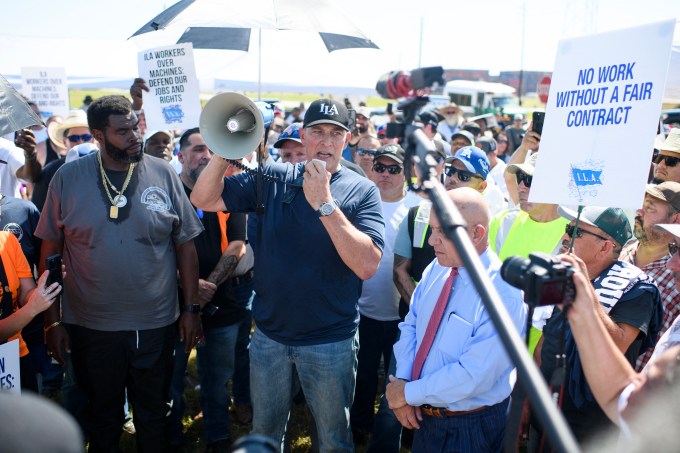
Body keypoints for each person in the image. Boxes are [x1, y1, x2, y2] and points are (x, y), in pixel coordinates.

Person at [191, 98, 384, 451]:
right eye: (317, 132)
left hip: (330, 340)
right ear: (303, 136)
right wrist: (224, 148)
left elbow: (367, 265)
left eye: (335, 133)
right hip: (269, 337)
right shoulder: (273, 178)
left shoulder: (362, 190)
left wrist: (325, 203)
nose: (326, 141)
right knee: (265, 434)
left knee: (332, 439)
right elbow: (204, 199)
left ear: (346, 140)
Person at [36, 95, 203, 452]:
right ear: (98, 135)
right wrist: (53, 322)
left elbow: (185, 245)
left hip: (155, 323)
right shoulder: (68, 178)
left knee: (153, 416)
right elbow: (50, 251)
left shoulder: (163, 173)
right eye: (123, 131)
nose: (135, 137)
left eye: (136, 127)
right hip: (91, 326)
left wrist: (191, 311)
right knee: (103, 418)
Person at [386, 188, 526, 453]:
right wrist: (404, 384)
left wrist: (407, 393)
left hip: (471, 427)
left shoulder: (503, 292)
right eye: (432, 229)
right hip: (425, 418)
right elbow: (411, 326)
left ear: (477, 233)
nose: (431, 241)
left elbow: (474, 375)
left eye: (443, 232)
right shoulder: (436, 268)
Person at [532, 206, 662, 448]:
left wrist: (585, 292)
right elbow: (545, 341)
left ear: (605, 246)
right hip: (544, 415)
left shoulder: (638, 288)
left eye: (576, 232)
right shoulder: (564, 275)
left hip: (589, 430)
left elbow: (618, 343)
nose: (565, 237)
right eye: (567, 229)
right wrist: (527, 402)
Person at [557, 228, 680, 450]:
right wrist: (581, 307)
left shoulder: (640, 290)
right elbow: (620, 397)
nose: (671, 264)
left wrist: (589, 304)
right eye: (674, 249)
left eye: (577, 232)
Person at [166, 127, 248, 452]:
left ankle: (217, 436)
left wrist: (209, 285)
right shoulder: (166, 194)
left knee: (217, 380)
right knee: (171, 381)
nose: (205, 156)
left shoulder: (231, 192)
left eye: (211, 150)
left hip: (222, 305)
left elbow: (238, 244)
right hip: (172, 308)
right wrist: (188, 287)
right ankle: (171, 438)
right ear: (181, 154)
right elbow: (155, 250)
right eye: (198, 149)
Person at [350, 144, 420, 444]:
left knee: (398, 378)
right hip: (362, 310)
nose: (385, 175)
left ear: (407, 173)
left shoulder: (417, 208)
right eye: (380, 167)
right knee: (362, 376)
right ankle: (359, 425)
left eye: (394, 169)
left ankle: (401, 430)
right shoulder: (359, 200)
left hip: (403, 314)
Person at [620, 182, 680, 370]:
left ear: (676, 220)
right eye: (641, 205)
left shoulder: (676, 275)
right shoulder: (620, 250)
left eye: (649, 208)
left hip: (633, 390)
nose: (639, 211)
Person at [0, 231, 62, 392]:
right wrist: (32, 308)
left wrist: (44, 289)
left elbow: (25, 293)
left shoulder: (7, 240)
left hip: (15, 355)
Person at [444, 146, 507, 216]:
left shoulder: (488, 220)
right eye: (451, 170)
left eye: (464, 176)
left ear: (481, 187)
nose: (452, 178)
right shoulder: (431, 209)